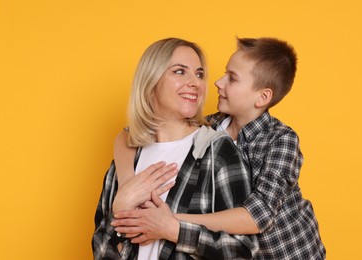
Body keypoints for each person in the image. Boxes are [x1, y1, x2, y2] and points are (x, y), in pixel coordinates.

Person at [112, 37, 326, 259]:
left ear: (262, 97)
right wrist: (126, 185)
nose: (218, 82)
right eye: (224, 73)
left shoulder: (280, 140)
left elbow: (257, 217)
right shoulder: (212, 126)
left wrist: (170, 222)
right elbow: (128, 134)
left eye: (232, 78)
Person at [91, 37, 259, 259]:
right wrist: (119, 211)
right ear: (151, 80)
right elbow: (101, 251)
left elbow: (244, 251)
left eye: (199, 74)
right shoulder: (127, 158)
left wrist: (174, 230)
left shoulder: (217, 152)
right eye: (180, 72)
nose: (195, 82)